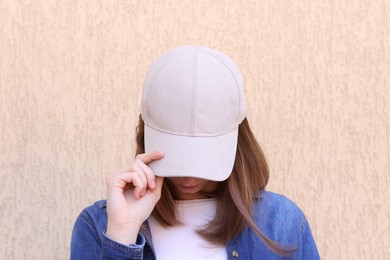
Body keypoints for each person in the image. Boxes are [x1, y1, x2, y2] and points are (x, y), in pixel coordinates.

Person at [71, 45, 320, 259]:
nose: (188, 179)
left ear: (237, 141)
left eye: (203, 160)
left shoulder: (282, 223)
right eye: (176, 159)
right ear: (145, 135)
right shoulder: (99, 226)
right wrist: (122, 236)